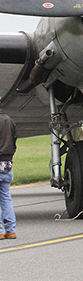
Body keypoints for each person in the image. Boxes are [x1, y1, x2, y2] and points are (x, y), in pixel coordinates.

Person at [0, 102, 16, 240]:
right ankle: (10, 230)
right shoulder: (8, 120)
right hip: (7, 162)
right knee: (5, 197)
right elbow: (14, 140)